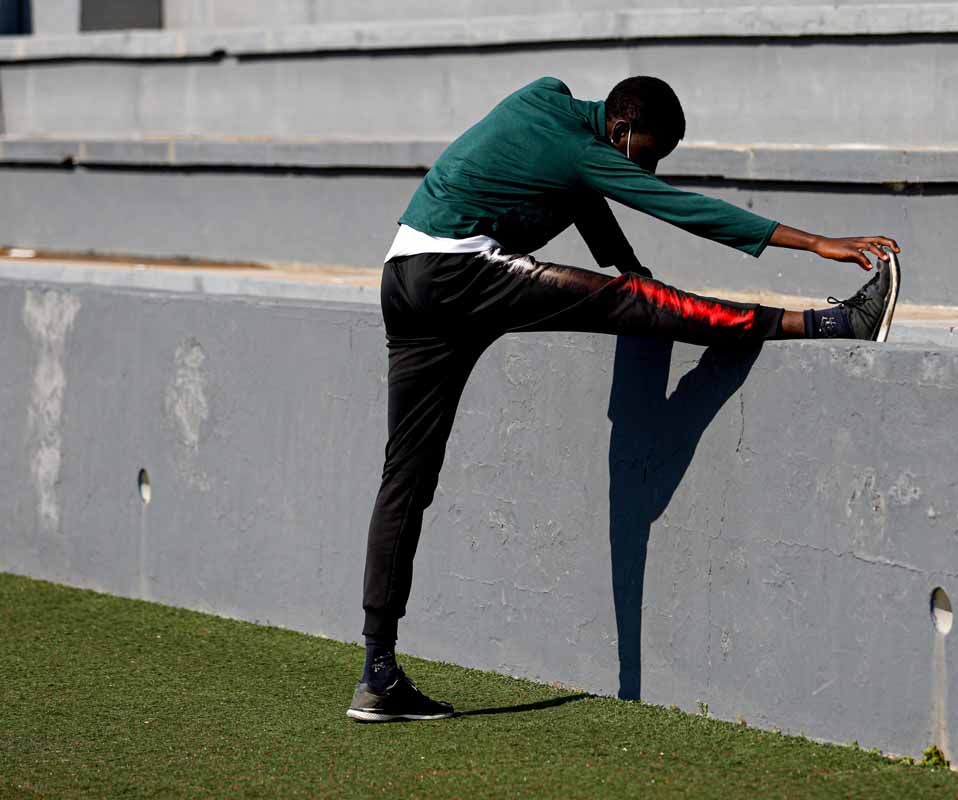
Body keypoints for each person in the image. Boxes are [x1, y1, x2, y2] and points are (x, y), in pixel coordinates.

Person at [347, 76, 901, 722]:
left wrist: (628, 264)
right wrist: (813, 242)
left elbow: (584, 200)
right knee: (643, 306)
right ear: (620, 131)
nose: (646, 168)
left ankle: (378, 672)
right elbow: (680, 208)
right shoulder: (585, 148)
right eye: (647, 154)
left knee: (405, 480)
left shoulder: (550, 109)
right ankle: (833, 323)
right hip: (460, 271)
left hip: (405, 276)